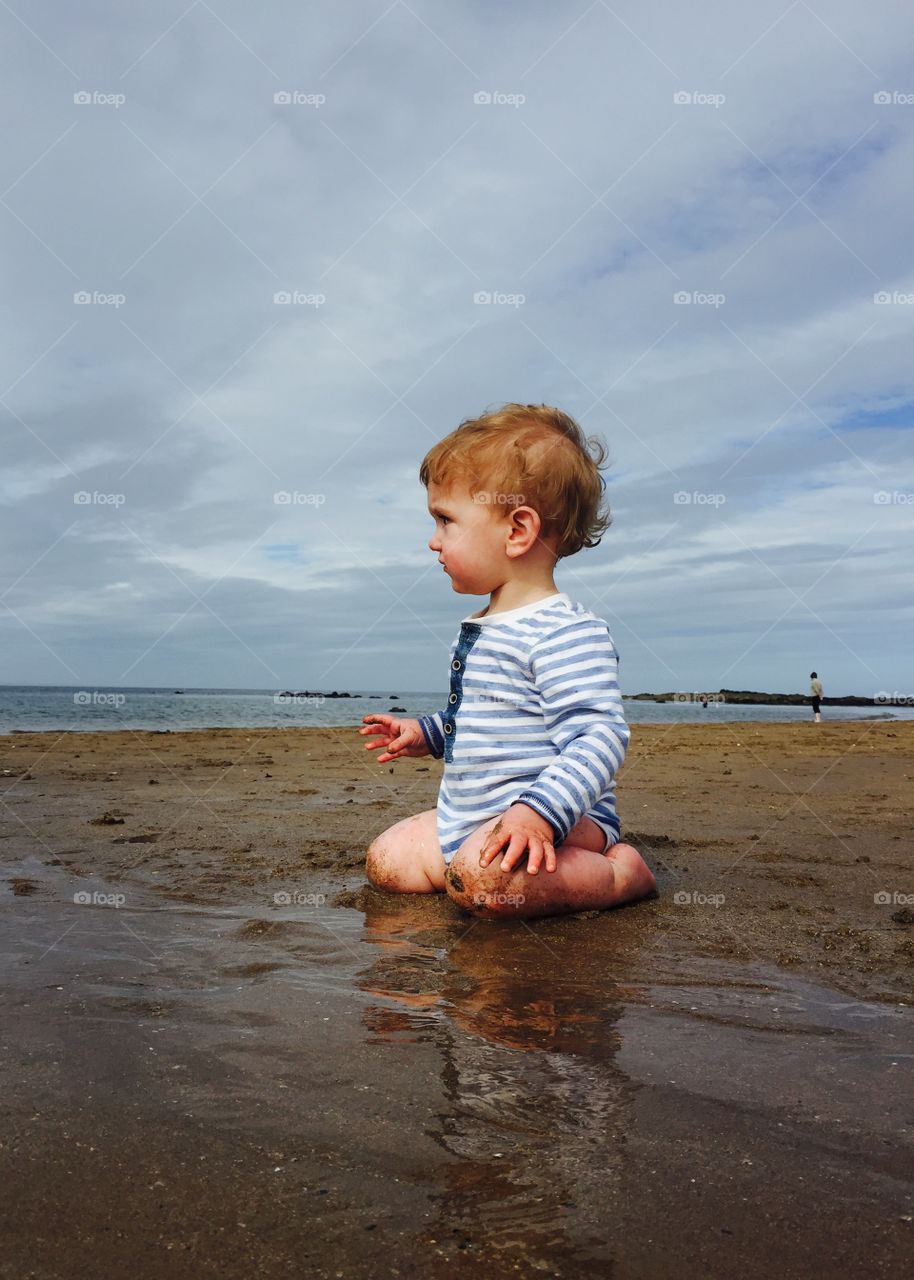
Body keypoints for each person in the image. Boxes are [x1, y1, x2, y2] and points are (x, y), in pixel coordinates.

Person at [358, 402, 657, 920]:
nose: (433, 541)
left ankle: (617, 875)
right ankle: (470, 854)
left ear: (517, 530)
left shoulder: (564, 631)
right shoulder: (485, 624)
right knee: (386, 862)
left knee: (489, 887)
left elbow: (599, 737)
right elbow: (481, 718)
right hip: (472, 817)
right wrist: (428, 733)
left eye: (445, 520)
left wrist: (538, 815)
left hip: (557, 819)